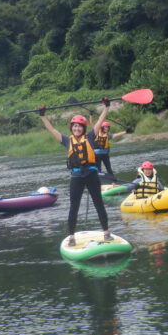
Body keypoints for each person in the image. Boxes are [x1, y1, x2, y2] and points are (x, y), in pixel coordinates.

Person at [40, 97, 112, 246]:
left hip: (91, 174)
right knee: (74, 206)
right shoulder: (67, 140)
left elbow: (99, 121)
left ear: (83, 128)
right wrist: (43, 116)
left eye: (79, 126)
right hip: (76, 176)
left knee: (98, 203)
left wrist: (106, 107)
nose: (77, 129)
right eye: (75, 126)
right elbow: (51, 129)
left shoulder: (91, 137)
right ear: (71, 128)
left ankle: (106, 233)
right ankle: (71, 236)